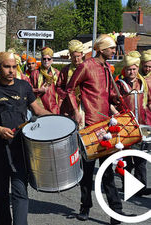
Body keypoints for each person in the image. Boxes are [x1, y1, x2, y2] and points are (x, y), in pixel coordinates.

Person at [0, 51, 52, 225]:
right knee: (1, 192)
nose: (11, 70)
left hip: (20, 148)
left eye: (14, 67)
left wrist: (59, 119)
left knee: (20, 191)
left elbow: (38, 111)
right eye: (7, 67)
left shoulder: (24, 87)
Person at [66, 34, 123, 225]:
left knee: (108, 171)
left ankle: (116, 212)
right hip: (88, 126)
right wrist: (76, 110)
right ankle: (85, 207)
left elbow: (107, 93)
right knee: (87, 171)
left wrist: (117, 98)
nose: (114, 51)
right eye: (111, 48)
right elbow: (69, 88)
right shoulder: (86, 65)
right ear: (100, 49)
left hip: (106, 125)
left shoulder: (107, 67)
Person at [116, 51, 151, 196]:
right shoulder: (119, 84)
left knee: (140, 158)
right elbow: (113, 103)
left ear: (138, 69)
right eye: (129, 69)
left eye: (134, 69)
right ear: (125, 69)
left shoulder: (143, 83)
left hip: (142, 126)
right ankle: (127, 186)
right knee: (126, 159)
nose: (132, 72)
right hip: (126, 127)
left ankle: (141, 186)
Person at [56, 40, 84, 118]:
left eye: (78, 56)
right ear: (70, 56)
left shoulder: (87, 68)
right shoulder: (65, 70)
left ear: (82, 55)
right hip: (68, 106)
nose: (76, 59)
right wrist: (65, 95)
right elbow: (58, 86)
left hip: (84, 105)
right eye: (73, 57)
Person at [29, 47, 59, 114]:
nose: (46, 60)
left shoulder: (57, 73)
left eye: (49, 59)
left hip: (54, 108)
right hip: (39, 108)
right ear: (41, 60)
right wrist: (38, 90)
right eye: (44, 58)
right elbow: (28, 90)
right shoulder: (35, 73)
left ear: (52, 60)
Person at [141, 49, 151, 125]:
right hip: (141, 112)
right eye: (145, 66)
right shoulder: (137, 77)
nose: (147, 69)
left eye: (150, 67)